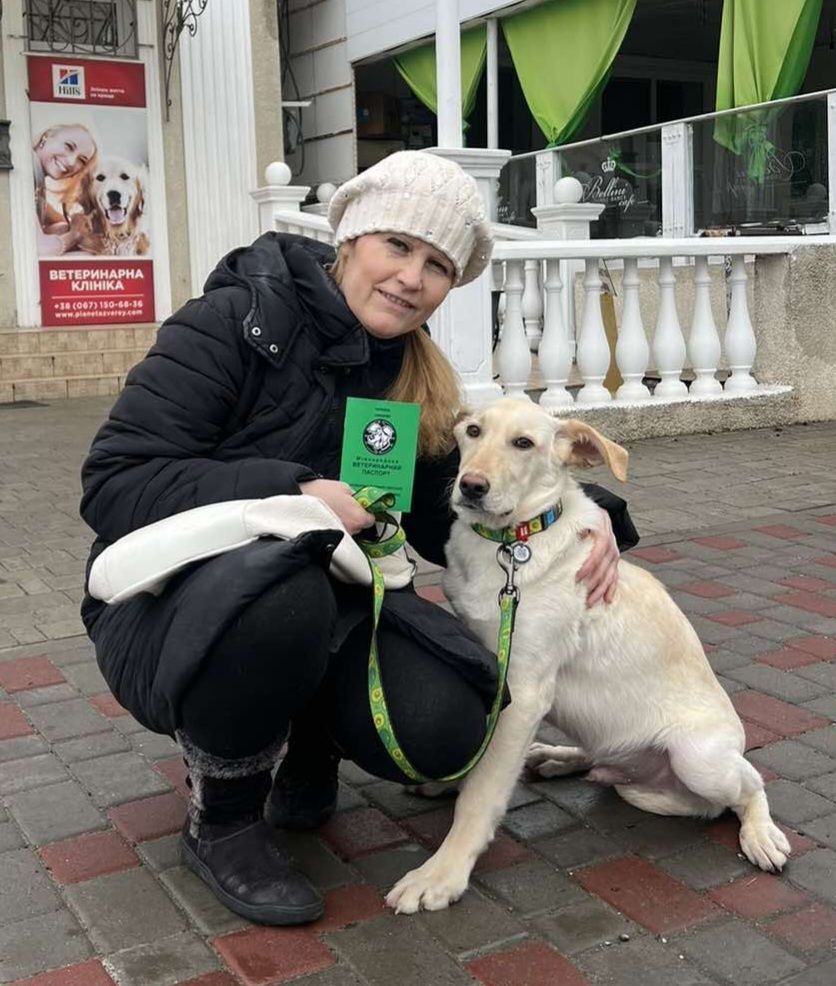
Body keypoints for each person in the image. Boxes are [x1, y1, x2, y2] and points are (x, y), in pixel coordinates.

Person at [79, 151, 638, 926]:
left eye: (438, 265)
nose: (413, 278)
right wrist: (291, 490)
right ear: (352, 241)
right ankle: (227, 813)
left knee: (448, 727)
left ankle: (313, 740)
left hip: (337, 604)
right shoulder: (230, 324)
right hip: (173, 605)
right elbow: (113, 483)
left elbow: (452, 511)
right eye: (398, 247)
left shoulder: (414, 378)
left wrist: (584, 512)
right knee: (285, 591)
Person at [32, 123, 98, 256]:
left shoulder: (37, 182)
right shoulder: (28, 170)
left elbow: (60, 223)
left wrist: (77, 222)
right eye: (68, 146)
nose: (71, 162)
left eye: (82, 160)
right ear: (46, 137)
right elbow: (41, 249)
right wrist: (75, 235)